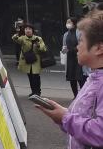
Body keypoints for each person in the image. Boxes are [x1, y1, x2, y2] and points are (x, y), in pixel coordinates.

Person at [36, 9, 103, 148]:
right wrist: (64, 114)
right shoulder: (94, 77)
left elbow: (100, 133)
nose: (77, 47)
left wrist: (65, 117)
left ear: (98, 48)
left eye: (81, 41)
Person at [12, 24, 47, 96]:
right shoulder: (22, 38)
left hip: (36, 60)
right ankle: (33, 91)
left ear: (32, 30)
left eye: (29, 29)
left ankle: (38, 92)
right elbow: (15, 39)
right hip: (27, 60)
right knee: (30, 76)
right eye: (26, 29)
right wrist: (16, 34)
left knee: (36, 77)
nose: (27, 30)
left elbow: (43, 49)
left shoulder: (38, 38)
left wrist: (37, 45)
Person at [62, 16, 86, 97]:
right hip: (70, 58)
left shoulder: (79, 32)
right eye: (67, 22)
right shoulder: (66, 34)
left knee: (80, 77)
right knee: (72, 78)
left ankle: (82, 96)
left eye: (69, 22)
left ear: (74, 23)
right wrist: (64, 50)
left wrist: (73, 49)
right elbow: (64, 46)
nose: (68, 24)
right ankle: (75, 95)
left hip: (78, 57)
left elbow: (82, 44)